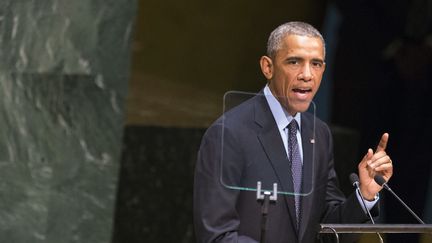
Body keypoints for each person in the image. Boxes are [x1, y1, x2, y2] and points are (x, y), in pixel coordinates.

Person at [193, 21, 393, 243]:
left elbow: (329, 233)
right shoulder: (229, 134)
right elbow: (216, 236)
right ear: (268, 67)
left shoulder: (319, 134)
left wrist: (364, 196)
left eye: (316, 64)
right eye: (294, 61)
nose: (307, 74)